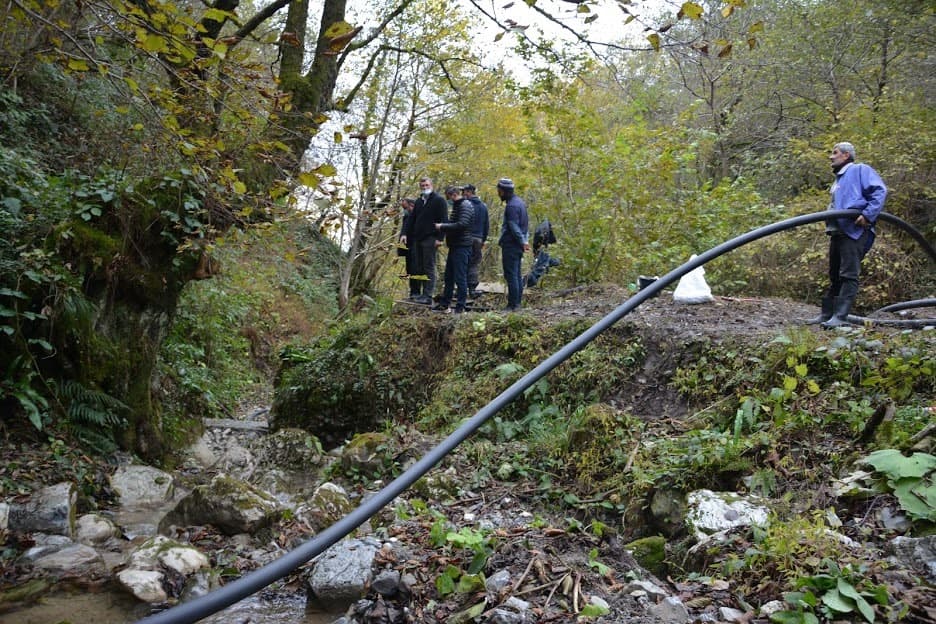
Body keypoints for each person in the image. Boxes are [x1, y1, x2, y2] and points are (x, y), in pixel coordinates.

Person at [806, 142, 887, 328]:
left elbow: (879, 191)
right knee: (834, 274)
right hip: (837, 231)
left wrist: (868, 214)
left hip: (854, 230)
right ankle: (827, 314)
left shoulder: (859, 170)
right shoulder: (839, 180)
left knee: (848, 274)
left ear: (846, 155)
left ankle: (840, 317)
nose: (831, 157)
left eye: (835, 153)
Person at [401, 177, 447, 304]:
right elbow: (411, 219)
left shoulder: (439, 200)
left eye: (427, 185)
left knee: (429, 266)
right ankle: (421, 294)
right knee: (418, 267)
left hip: (431, 238)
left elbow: (444, 220)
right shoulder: (419, 202)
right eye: (422, 185)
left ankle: (428, 295)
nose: (425, 187)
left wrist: (440, 238)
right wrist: (404, 233)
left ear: (431, 185)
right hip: (418, 239)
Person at [431, 186, 475, 314]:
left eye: (448, 197)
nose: (448, 200)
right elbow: (455, 222)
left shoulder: (465, 205)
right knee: (449, 276)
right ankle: (445, 304)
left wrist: (442, 226)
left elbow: (462, 224)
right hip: (455, 245)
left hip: (462, 246)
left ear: (453, 195)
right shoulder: (458, 205)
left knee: (460, 277)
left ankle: (460, 307)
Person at [495, 178, 530, 312]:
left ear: (503, 191)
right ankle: (517, 304)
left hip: (511, 244)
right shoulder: (519, 202)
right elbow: (524, 225)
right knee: (515, 274)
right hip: (517, 245)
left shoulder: (512, 206)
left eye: (499, 191)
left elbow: (514, 226)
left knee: (511, 275)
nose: (498, 193)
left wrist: (523, 242)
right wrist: (524, 241)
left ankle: (513, 305)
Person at [461, 184, 489, 298]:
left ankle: (462, 289)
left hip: (466, 238)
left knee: (462, 263)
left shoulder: (465, 204)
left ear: (469, 192)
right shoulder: (483, 206)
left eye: (464, 192)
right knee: (473, 264)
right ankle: (472, 290)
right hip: (478, 239)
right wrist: (483, 240)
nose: (462, 194)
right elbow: (486, 225)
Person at [398, 197, 420, 300]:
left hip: (416, 245)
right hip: (408, 247)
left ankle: (416, 292)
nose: (405, 210)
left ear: (412, 206)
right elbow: (404, 229)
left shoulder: (418, 216)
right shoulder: (406, 216)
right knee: (410, 269)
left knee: (416, 269)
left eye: (406, 207)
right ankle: (413, 292)